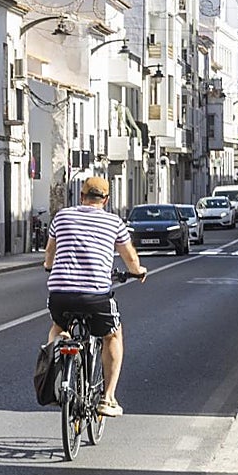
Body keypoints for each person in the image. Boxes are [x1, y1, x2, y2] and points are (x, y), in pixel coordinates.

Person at [43, 176, 147, 417]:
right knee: (113, 335)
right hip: (95, 296)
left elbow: (50, 252)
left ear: (81, 197)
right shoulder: (114, 222)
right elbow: (129, 257)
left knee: (58, 326)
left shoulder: (62, 217)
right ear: (106, 200)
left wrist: (49, 266)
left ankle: (53, 373)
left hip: (60, 293)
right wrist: (137, 270)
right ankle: (108, 398)